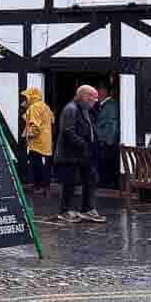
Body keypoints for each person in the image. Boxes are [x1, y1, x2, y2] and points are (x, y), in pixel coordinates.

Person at [54, 85, 106, 223]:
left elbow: (89, 128)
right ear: (84, 97)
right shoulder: (71, 109)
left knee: (92, 179)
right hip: (70, 154)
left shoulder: (85, 109)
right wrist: (84, 144)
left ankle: (87, 209)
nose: (95, 101)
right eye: (93, 98)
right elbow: (67, 131)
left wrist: (95, 144)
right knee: (70, 182)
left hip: (84, 154)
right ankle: (64, 211)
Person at [21, 87, 54, 193]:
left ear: (32, 96)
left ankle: (38, 186)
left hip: (37, 142)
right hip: (46, 141)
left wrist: (28, 136)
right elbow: (52, 119)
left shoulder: (34, 107)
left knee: (36, 165)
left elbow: (35, 126)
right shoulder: (45, 106)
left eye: (26, 96)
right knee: (43, 165)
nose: (25, 99)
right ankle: (44, 186)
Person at [94, 83, 120, 189]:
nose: (97, 93)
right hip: (103, 141)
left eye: (99, 90)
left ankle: (106, 183)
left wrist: (108, 141)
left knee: (106, 164)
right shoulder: (104, 104)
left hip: (106, 142)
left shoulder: (110, 105)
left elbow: (113, 124)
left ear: (105, 91)